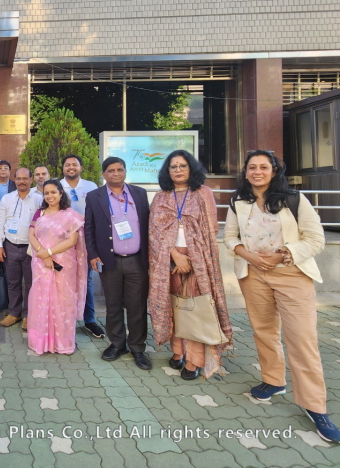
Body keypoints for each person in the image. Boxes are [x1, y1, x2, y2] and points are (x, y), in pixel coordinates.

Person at [224, 150, 340, 443]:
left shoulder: (294, 199)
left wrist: (281, 255)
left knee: (302, 339)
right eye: (252, 167)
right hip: (253, 275)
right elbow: (230, 237)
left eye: (264, 167)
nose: (257, 172)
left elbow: (316, 239)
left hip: (292, 275)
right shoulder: (239, 201)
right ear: (246, 172)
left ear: (274, 171)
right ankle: (274, 380)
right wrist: (249, 256)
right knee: (264, 332)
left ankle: (315, 406)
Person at [149, 149, 232, 380]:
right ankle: (178, 351)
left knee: (195, 308)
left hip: (198, 260)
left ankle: (194, 360)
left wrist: (194, 259)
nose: (178, 170)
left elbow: (211, 229)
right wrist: (175, 255)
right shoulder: (161, 197)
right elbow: (154, 232)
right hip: (168, 259)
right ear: (167, 171)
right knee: (174, 306)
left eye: (182, 166)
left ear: (191, 168)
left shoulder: (203, 193)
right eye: (173, 166)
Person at [85, 157, 151, 370]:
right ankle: (117, 344)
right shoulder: (94, 196)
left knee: (137, 306)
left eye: (119, 170)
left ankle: (138, 348)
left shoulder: (139, 194)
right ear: (103, 174)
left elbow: (148, 224)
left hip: (137, 260)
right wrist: (93, 255)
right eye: (111, 170)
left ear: (125, 171)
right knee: (113, 305)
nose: (116, 173)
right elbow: (89, 228)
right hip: (109, 260)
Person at [27, 179, 87, 355]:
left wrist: (49, 252)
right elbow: (31, 235)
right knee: (40, 301)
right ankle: (41, 341)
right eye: (46, 193)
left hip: (64, 265)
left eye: (53, 192)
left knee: (63, 302)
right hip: (41, 263)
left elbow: (72, 240)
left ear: (61, 193)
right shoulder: (40, 213)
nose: (50, 196)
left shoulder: (71, 215)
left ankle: (63, 343)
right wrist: (43, 254)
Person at [61, 154, 104, 339]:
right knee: (63, 281)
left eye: (75, 164)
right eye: (67, 164)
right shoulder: (57, 186)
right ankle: (65, 320)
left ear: (81, 167)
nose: (71, 167)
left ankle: (90, 320)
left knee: (87, 280)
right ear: (62, 168)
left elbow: (98, 213)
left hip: (85, 240)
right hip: (62, 242)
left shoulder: (91, 186)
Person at [0, 167, 42, 330]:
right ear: (14, 180)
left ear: (31, 180)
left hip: (30, 248)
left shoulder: (38, 199)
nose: (22, 181)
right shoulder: (7, 199)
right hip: (10, 246)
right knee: (13, 282)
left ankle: (29, 314)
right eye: (19, 178)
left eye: (25, 178)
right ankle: (14, 313)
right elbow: (0, 222)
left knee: (31, 283)